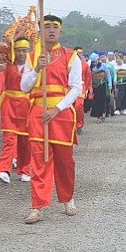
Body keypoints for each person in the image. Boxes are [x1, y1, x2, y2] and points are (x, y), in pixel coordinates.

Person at [21, 15, 82, 225]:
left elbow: (76, 87)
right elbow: (24, 87)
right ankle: (37, 206)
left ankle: (67, 198)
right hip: (38, 115)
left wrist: (57, 109)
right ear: (40, 31)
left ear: (61, 32)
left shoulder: (70, 56)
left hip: (61, 115)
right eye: (47, 27)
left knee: (65, 161)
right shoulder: (32, 57)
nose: (51, 30)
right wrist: (37, 68)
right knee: (39, 160)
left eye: (55, 27)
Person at [0, 37, 33, 184]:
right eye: (18, 50)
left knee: (25, 141)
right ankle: (3, 169)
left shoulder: (33, 68)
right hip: (10, 105)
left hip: (26, 106)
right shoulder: (7, 66)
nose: (21, 54)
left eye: (24, 50)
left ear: (28, 51)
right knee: (9, 138)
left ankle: (25, 169)